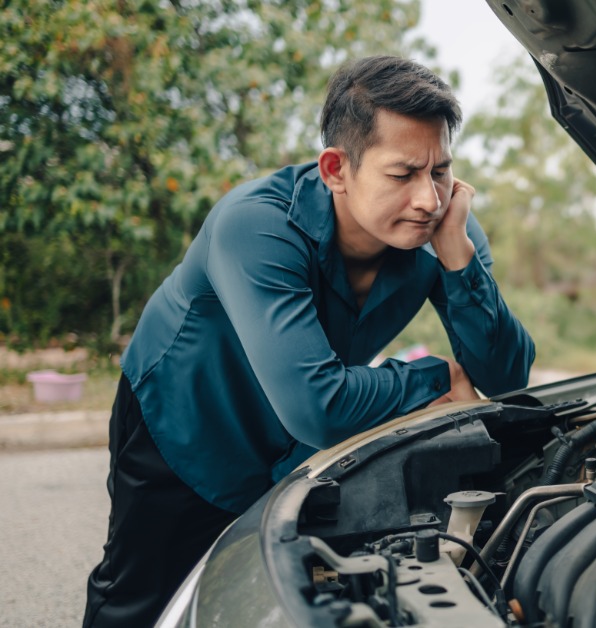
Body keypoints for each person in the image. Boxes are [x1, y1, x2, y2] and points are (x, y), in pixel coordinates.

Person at [83, 56, 536, 627]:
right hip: (185, 422)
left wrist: (458, 259)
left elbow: (507, 373)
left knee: (264, 593)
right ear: (335, 169)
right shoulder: (256, 225)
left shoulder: (445, 229)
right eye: (403, 175)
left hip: (299, 444)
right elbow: (318, 405)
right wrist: (437, 377)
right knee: (141, 595)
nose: (428, 199)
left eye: (440, 171)